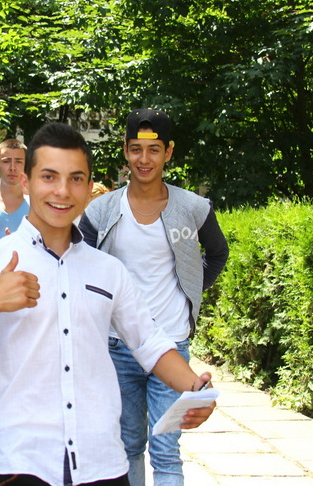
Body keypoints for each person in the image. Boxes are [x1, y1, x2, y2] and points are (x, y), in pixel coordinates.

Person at [0, 122, 216, 486]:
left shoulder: (109, 270)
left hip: (104, 464)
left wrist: (196, 389)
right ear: (26, 183)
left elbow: (149, 342)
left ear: (88, 188)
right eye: (49, 177)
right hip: (23, 466)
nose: (62, 191)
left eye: (76, 179)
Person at [79, 109, 229, 486]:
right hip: (118, 346)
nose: (144, 159)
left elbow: (218, 253)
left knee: (166, 450)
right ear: (126, 151)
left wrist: (189, 290)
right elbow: (80, 265)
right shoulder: (101, 210)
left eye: (153, 150)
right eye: (136, 149)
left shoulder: (192, 207)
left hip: (171, 343)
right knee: (127, 445)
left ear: (168, 152)